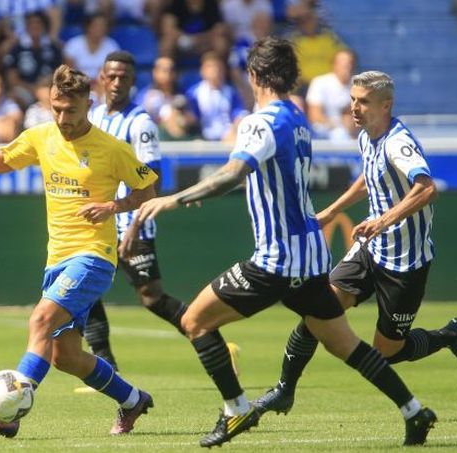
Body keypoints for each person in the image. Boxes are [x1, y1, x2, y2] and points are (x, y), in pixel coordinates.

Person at [124, 37, 437, 448]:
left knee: (194, 322)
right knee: (347, 345)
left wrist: (175, 199)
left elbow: (235, 173)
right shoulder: (297, 116)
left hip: (275, 260)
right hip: (310, 258)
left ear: (254, 76)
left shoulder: (262, 120)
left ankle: (236, 410)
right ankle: (414, 411)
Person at [0, 64, 158, 438]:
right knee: (63, 356)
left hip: (94, 255)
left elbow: (148, 191)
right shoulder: (41, 136)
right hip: (57, 258)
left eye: (71, 111)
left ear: (89, 104)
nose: (63, 118)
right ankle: (133, 400)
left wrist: (113, 207)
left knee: (39, 321)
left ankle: (8, 412)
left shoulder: (112, 149)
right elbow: (3, 159)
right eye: (57, 109)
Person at [253, 70, 457, 416]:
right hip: (370, 250)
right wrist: (330, 212)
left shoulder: (397, 142)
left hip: (405, 261)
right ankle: (284, 390)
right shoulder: (366, 138)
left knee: (387, 351)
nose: (354, 108)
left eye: (363, 102)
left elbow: (427, 188)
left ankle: (449, 335)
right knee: (319, 310)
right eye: (353, 100)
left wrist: (383, 219)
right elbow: (368, 180)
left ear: (386, 105)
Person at [82, 50, 229, 379]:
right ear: (102, 79)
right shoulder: (96, 119)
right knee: (85, 287)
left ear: (133, 81)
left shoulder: (140, 123)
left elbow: (153, 181)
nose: (117, 82)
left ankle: (210, 339)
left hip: (130, 221)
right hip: (100, 224)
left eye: (124, 77)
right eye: (112, 76)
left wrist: (134, 223)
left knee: (151, 297)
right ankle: (106, 367)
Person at [305, 49, 356, 138]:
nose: (347, 67)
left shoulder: (358, 86)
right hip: (323, 130)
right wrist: (339, 123)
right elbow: (314, 116)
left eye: (349, 64)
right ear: (334, 65)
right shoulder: (319, 82)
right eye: (342, 64)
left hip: (350, 130)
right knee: (339, 134)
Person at [63, 13, 119, 80]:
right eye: (96, 25)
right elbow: (68, 72)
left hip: (102, 84)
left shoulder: (112, 45)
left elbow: (113, 72)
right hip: (78, 84)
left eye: (103, 26)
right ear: (87, 26)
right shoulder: (73, 44)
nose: (99, 28)